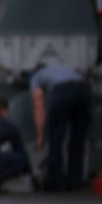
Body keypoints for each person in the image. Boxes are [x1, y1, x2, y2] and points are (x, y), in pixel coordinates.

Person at [30, 63, 92, 192]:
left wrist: (40, 136)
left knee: (55, 140)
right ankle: (75, 181)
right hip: (84, 90)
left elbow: (38, 105)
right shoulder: (65, 69)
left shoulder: (37, 76)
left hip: (62, 92)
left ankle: (55, 182)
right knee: (78, 140)